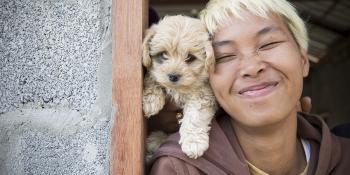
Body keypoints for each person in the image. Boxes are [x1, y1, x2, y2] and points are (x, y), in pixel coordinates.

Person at [148, 0, 350, 174]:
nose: (252, 68)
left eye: (268, 44)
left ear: (303, 60)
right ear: (207, 76)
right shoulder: (178, 169)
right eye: (225, 56)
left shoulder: (345, 160)